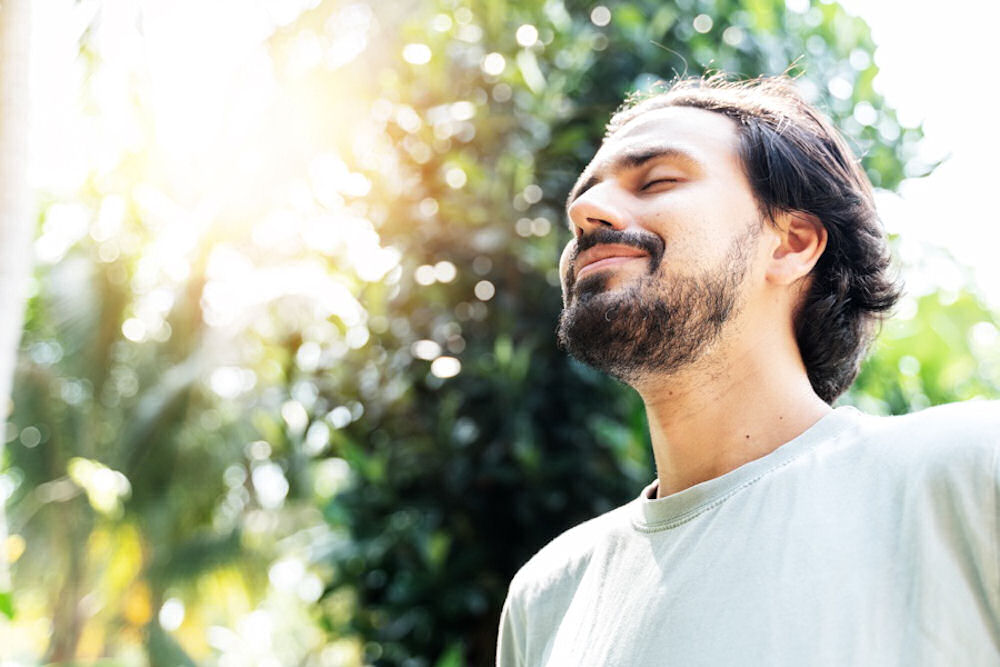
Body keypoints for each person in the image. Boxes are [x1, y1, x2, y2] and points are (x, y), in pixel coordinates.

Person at [495, 74, 1000, 666]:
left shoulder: (969, 468)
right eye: (582, 200)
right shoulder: (547, 596)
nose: (583, 210)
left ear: (791, 244)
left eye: (657, 179)